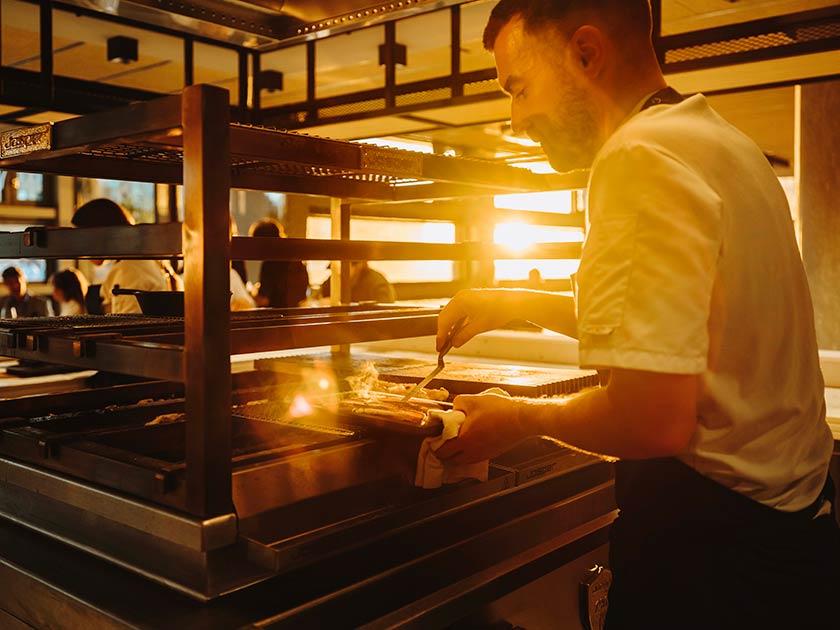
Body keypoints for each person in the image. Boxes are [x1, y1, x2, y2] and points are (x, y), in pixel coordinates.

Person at [433, 1, 840, 628]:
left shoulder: (638, 157)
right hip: (790, 547)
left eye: (519, 88)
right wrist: (510, 302)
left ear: (586, 53)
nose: (515, 119)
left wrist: (514, 418)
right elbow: (675, 324)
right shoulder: (717, 141)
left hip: (715, 568)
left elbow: (652, 420)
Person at [71, 198, 182, 314]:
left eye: (81, 237)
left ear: (98, 235)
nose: (79, 246)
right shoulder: (139, 260)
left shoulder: (130, 269)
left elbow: (128, 325)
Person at [249, 218, 309, 308]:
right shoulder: (295, 259)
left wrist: (249, 295)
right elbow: (301, 295)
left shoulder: (270, 263)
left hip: (275, 315)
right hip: (295, 313)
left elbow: (263, 301)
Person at [320, 261, 396, 303]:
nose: (338, 273)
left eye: (343, 267)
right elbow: (322, 295)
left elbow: (385, 309)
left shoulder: (376, 282)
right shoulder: (335, 279)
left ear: (358, 266)